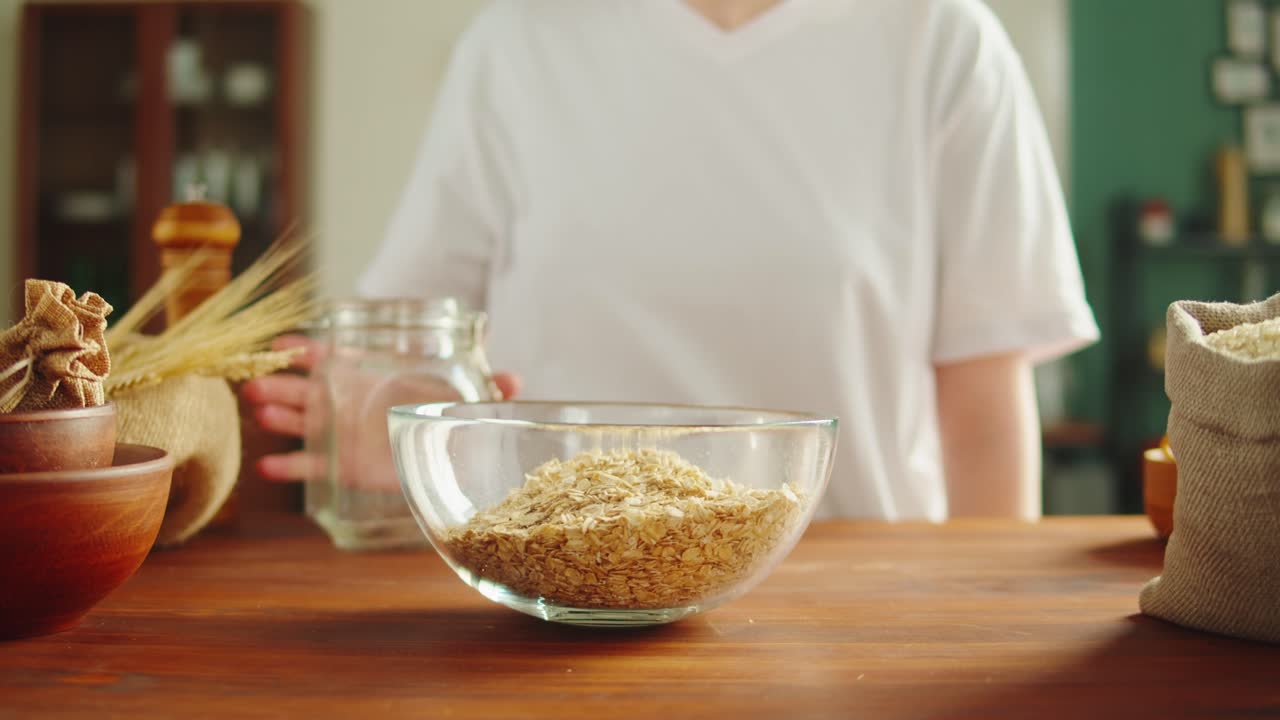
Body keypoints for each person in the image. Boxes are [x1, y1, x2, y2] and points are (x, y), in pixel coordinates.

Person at [243, 0, 1099, 522]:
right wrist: (394, 431)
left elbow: (985, 399)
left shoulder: (942, 38)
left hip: (860, 597)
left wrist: (993, 632)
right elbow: (417, 352)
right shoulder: (515, 43)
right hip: (559, 594)